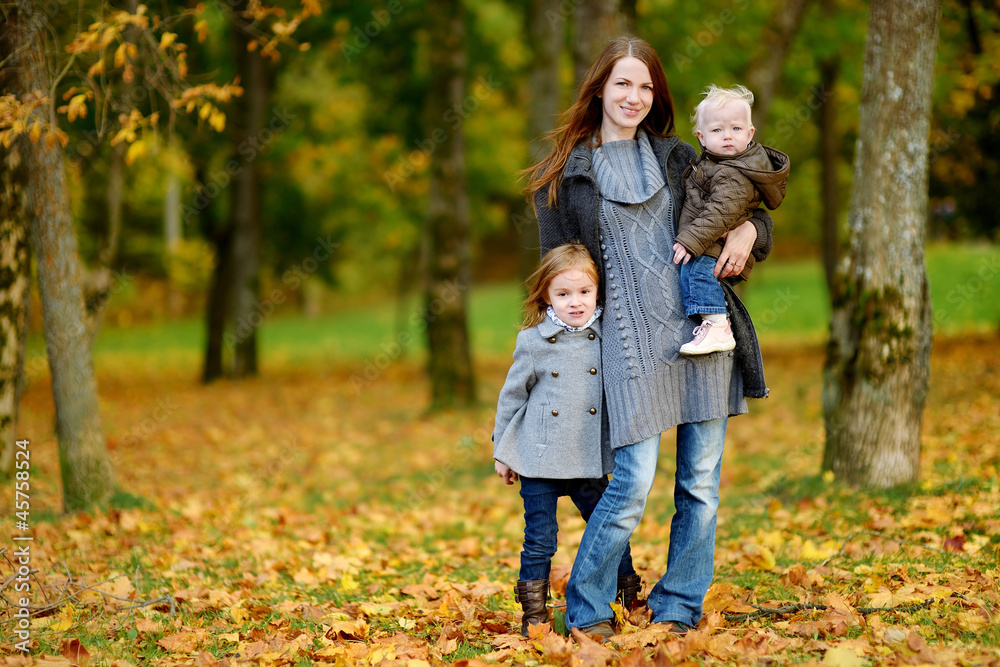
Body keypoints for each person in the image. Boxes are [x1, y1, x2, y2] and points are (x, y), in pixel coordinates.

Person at [523, 36, 773, 640]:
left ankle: (679, 606)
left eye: (645, 86)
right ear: (600, 90)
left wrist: (752, 233)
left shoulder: (678, 157)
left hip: (701, 335)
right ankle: (585, 609)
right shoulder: (564, 177)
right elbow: (558, 280)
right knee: (632, 484)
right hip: (625, 346)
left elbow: (745, 189)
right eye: (622, 84)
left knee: (700, 486)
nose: (634, 97)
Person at [492, 243, 640, 637]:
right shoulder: (533, 341)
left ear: (597, 293)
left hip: (588, 456)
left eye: (584, 292)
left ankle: (627, 597)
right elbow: (512, 397)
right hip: (538, 456)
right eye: (563, 294)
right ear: (546, 296)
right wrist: (502, 451)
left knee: (608, 527)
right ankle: (534, 616)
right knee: (539, 539)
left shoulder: (608, 334)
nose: (575, 303)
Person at [671, 84, 789, 355]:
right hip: (711, 241)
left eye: (736, 129)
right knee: (693, 274)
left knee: (700, 273)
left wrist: (690, 240)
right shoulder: (712, 164)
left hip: (716, 244)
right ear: (701, 137)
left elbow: (719, 212)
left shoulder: (734, 172)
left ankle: (717, 326)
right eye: (717, 130)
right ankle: (709, 323)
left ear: (750, 134)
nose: (727, 136)